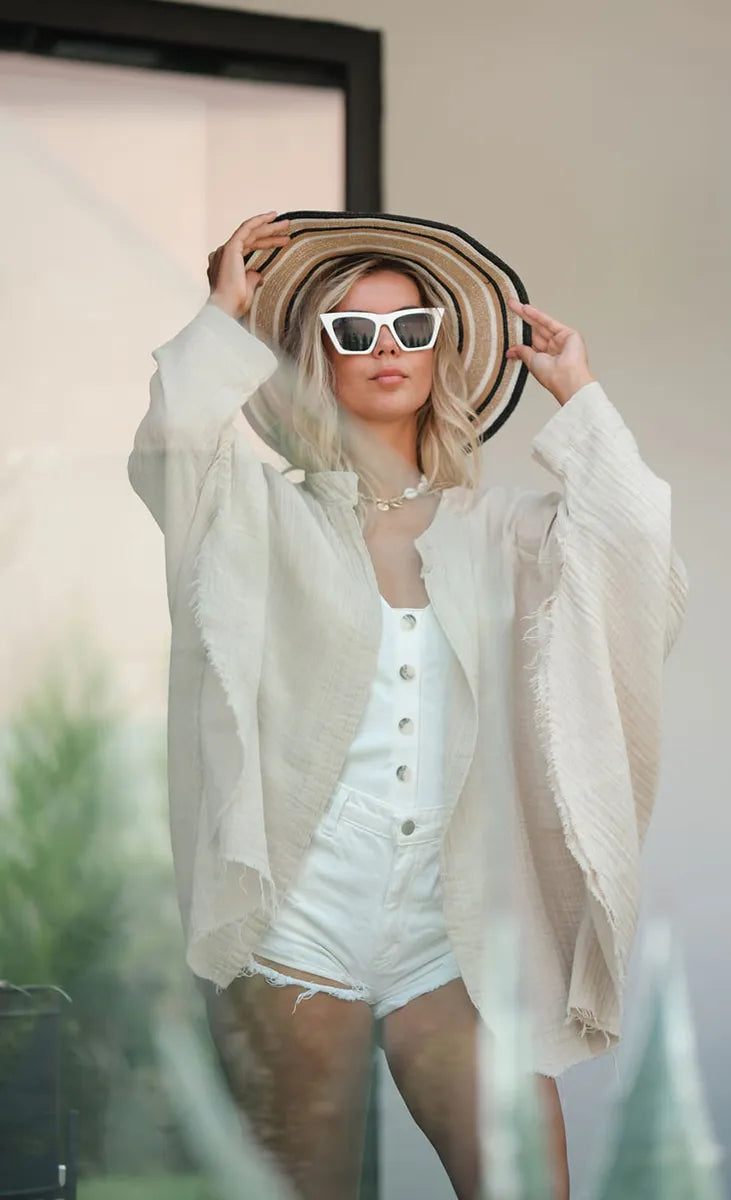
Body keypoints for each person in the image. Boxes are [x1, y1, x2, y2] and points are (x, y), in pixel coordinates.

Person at [127, 210, 689, 1200]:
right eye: (353, 332)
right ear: (316, 360)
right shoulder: (260, 516)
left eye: (410, 326)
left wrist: (579, 394)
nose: (386, 349)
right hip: (301, 921)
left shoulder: (501, 532)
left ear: (440, 348)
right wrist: (219, 314)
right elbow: (170, 456)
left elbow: (633, 552)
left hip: (455, 924)